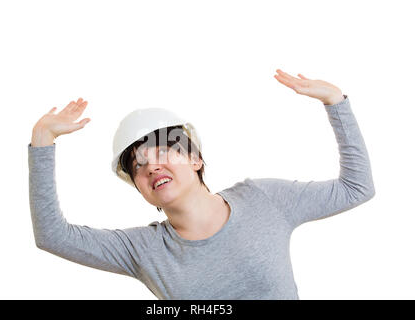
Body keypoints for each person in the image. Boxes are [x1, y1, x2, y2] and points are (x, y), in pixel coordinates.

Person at [28, 69, 375, 299]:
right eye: (138, 165)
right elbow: (53, 237)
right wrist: (42, 140)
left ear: (196, 160)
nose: (151, 167)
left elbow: (356, 188)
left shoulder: (265, 199)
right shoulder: (143, 249)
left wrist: (336, 103)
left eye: (163, 151)